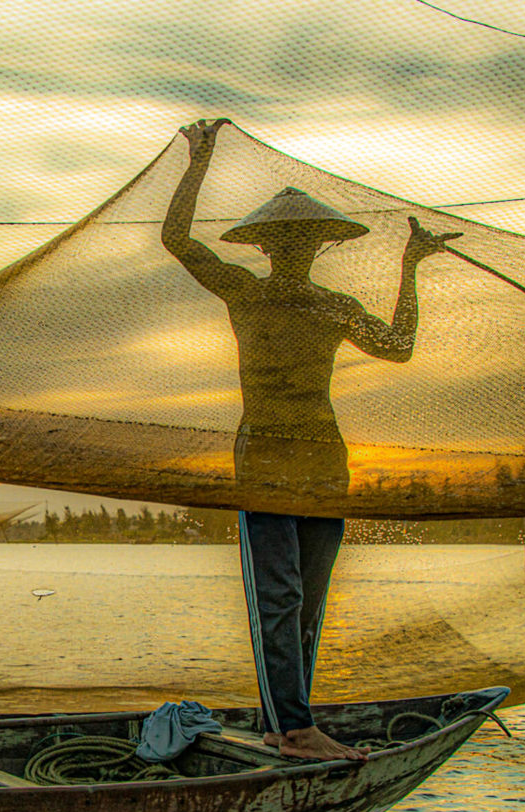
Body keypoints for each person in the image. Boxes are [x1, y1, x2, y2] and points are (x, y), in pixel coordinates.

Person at [161, 118, 460, 761]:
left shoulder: (333, 305)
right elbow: (177, 239)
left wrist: (411, 268)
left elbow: (398, 348)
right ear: (267, 249)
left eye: (305, 240)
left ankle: (290, 722)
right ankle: (294, 726)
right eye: (283, 241)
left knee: (310, 599)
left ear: (319, 246)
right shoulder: (245, 292)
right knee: (280, 593)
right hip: (264, 454)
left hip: (325, 456)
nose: (294, 250)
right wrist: (198, 160)